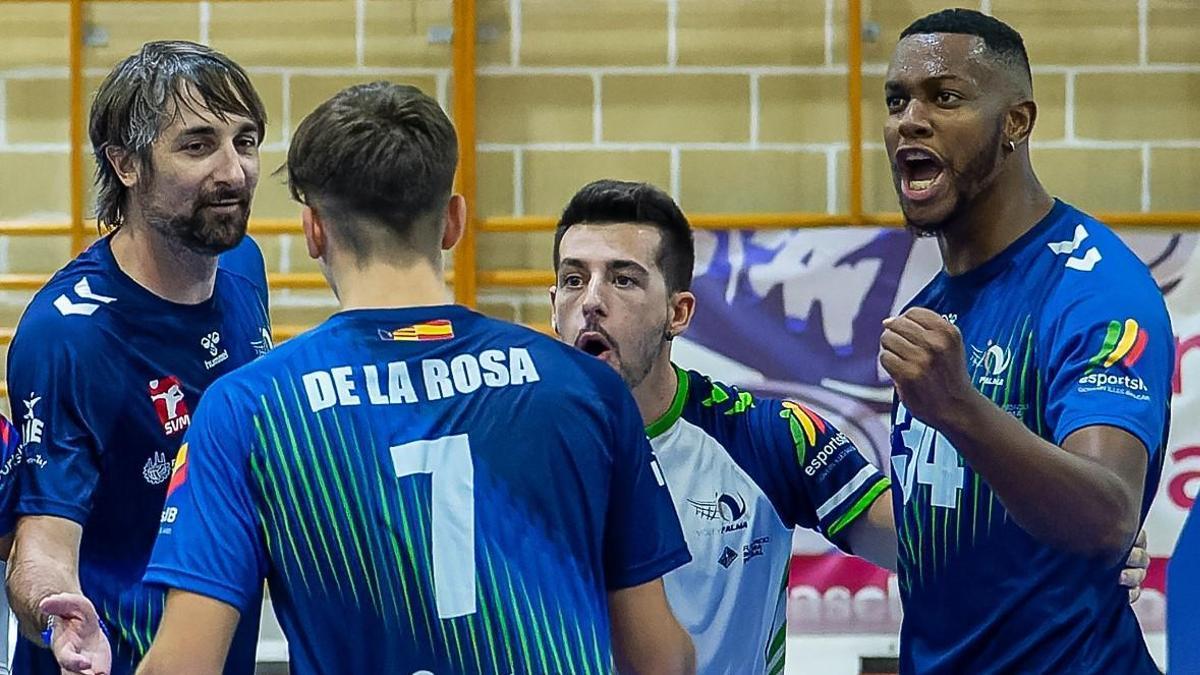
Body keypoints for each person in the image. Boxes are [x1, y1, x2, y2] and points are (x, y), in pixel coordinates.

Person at [127, 81, 695, 675]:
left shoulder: (248, 409)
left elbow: (184, 664)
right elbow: (660, 657)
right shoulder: (587, 390)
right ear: (454, 221)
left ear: (313, 230)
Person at [549, 179, 1153, 674]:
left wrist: (1075, 541)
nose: (592, 301)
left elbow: (920, 545)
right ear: (553, 304)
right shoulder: (505, 444)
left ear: (678, 312)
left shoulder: (768, 434)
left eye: (623, 279)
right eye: (575, 279)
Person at [877, 9, 1172, 673]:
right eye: (897, 100)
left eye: (944, 97)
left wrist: (959, 407)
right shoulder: (931, 309)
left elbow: (1107, 516)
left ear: (1015, 123)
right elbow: (951, 538)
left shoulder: (1097, 289)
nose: (909, 121)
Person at [5, 40, 272, 675]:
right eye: (197, 145)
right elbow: (40, 538)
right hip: (101, 662)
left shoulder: (244, 265)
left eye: (246, 141)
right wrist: (55, 613)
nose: (233, 172)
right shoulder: (69, 334)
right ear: (125, 164)